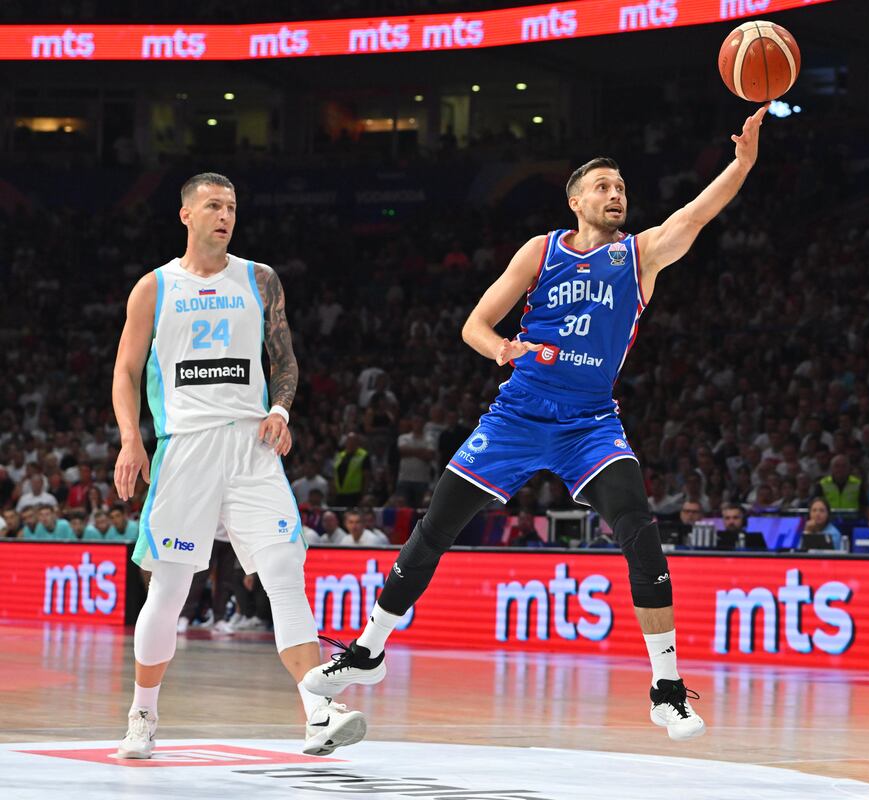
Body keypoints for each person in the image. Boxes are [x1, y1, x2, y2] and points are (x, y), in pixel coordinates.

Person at [304, 107, 772, 742]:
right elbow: (474, 324)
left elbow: (693, 215)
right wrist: (500, 349)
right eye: (604, 187)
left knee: (637, 525)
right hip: (519, 414)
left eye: (622, 188)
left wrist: (741, 163)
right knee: (434, 531)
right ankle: (369, 650)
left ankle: (666, 689)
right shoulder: (540, 250)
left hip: (590, 423)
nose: (616, 196)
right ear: (576, 199)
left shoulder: (639, 258)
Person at [110, 172, 364, 760]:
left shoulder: (260, 279)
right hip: (184, 448)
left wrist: (280, 407)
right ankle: (142, 716)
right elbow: (125, 371)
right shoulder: (154, 287)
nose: (225, 215)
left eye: (231, 207)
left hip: (252, 448)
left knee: (283, 572)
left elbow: (285, 360)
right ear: (186, 216)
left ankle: (318, 712)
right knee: (169, 590)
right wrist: (130, 439)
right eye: (213, 206)